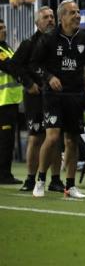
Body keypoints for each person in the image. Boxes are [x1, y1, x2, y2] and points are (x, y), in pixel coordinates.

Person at [31, 0, 85, 198]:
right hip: (53, 96)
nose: (77, 15)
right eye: (72, 13)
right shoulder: (49, 39)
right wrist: (49, 77)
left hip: (76, 95)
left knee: (72, 140)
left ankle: (70, 186)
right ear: (62, 18)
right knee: (52, 138)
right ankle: (41, 180)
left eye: (78, 12)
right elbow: (34, 64)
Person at [14, 7, 63, 192]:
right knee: (35, 138)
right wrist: (28, 83)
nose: (50, 20)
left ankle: (56, 179)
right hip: (35, 98)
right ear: (37, 23)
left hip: (56, 97)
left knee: (56, 137)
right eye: (45, 17)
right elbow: (14, 66)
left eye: (52, 17)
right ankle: (30, 179)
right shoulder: (28, 44)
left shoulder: (61, 41)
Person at [0, 18, 22, 184]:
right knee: (5, 140)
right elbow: (10, 66)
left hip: (11, 101)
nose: (4, 30)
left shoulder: (5, 46)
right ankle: (4, 174)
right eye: (0, 28)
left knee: (8, 139)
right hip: (3, 102)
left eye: (4, 27)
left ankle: (5, 172)